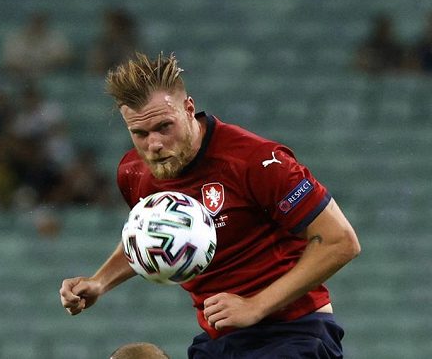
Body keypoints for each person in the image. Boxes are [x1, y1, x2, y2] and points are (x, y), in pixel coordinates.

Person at [60, 52, 361, 358]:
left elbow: (340, 242)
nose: (154, 145)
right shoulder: (134, 172)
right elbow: (153, 239)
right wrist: (100, 281)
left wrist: (255, 305)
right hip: (220, 339)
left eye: (164, 127)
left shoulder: (256, 161)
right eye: (139, 133)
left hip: (294, 330)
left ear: (189, 108)